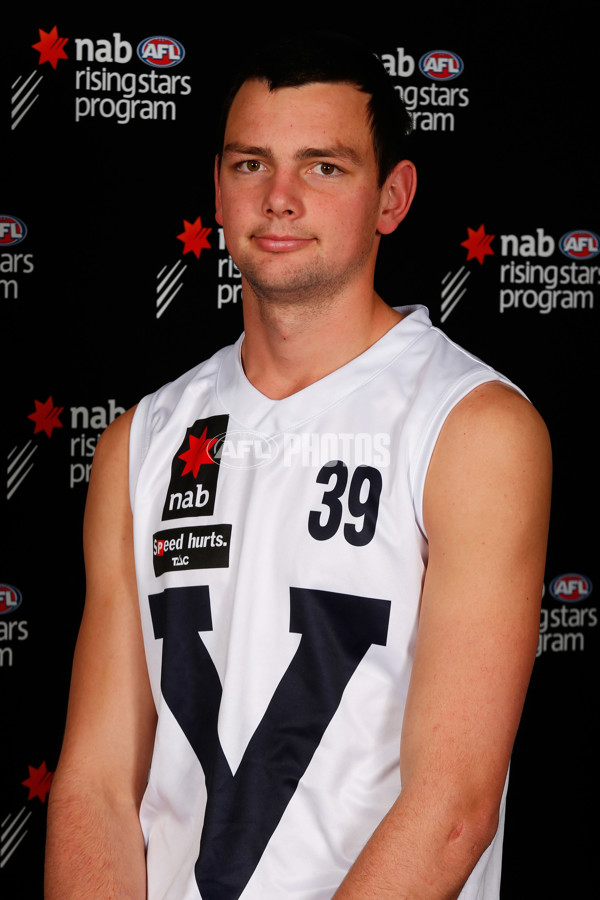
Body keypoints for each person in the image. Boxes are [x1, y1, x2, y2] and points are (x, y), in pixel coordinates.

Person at [45, 32, 552, 900]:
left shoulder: (471, 427)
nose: (279, 199)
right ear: (217, 187)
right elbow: (94, 786)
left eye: (323, 167)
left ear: (392, 196)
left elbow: (454, 805)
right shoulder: (142, 440)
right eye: (251, 165)